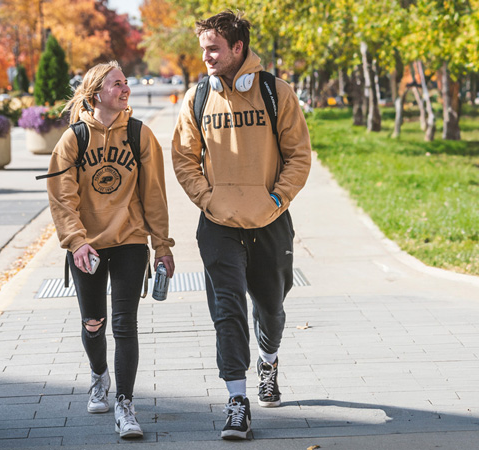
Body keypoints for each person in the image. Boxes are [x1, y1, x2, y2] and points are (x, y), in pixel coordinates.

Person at [171, 11, 312, 440]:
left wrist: (276, 199)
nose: (206, 57)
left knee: (271, 309)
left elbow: (299, 156)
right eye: (203, 49)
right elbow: (183, 158)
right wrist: (207, 199)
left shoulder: (275, 92)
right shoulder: (198, 97)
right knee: (227, 310)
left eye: (214, 49)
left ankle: (268, 360)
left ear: (238, 47)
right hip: (218, 224)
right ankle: (237, 401)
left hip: (270, 221)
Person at [45, 61, 175, 439]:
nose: (125, 89)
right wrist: (76, 241)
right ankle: (99, 375)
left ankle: (125, 404)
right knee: (93, 322)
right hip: (87, 246)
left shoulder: (139, 135)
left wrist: (162, 245)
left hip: (130, 241)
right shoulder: (73, 139)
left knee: (124, 324)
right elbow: (62, 198)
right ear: (96, 93)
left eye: (125, 82)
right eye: (117, 84)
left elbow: (154, 196)